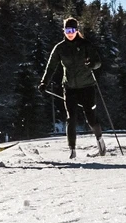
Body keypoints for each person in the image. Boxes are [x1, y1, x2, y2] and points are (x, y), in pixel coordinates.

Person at [39, 17, 105, 159]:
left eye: (73, 30)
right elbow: (51, 67)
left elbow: (98, 62)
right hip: (70, 88)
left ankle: (100, 140)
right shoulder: (60, 48)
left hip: (87, 87)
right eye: (67, 30)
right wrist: (44, 82)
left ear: (77, 30)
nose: (70, 33)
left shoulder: (86, 45)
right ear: (64, 31)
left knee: (90, 118)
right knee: (71, 118)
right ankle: (72, 150)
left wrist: (92, 65)